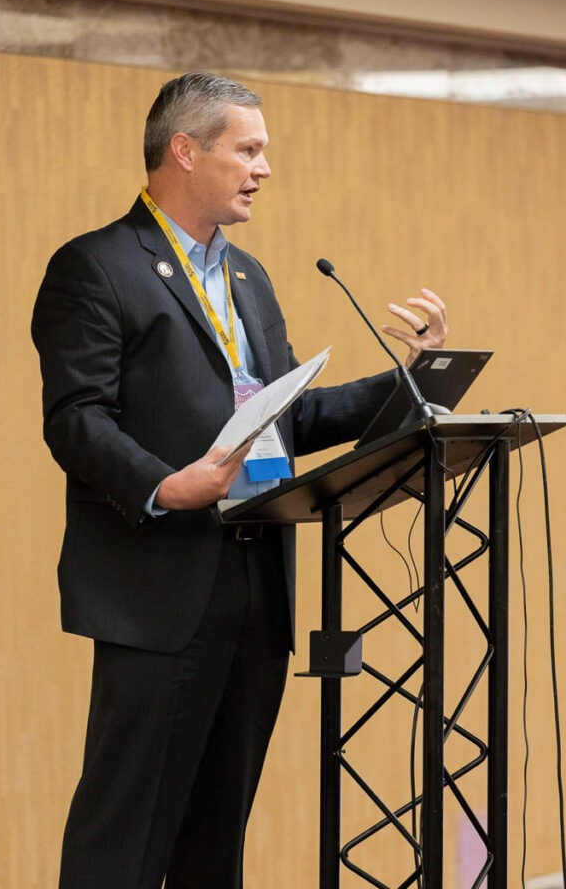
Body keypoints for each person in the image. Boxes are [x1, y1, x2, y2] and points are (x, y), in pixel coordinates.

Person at [31, 71, 448, 889]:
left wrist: (412, 380)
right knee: (123, 837)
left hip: (256, 582)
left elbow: (286, 418)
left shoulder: (248, 277)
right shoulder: (97, 266)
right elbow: (75, 418)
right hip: (158, 589)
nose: (264, 168)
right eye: (247, 150)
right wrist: (163, 485)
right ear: (185, 151)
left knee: (214, 840)